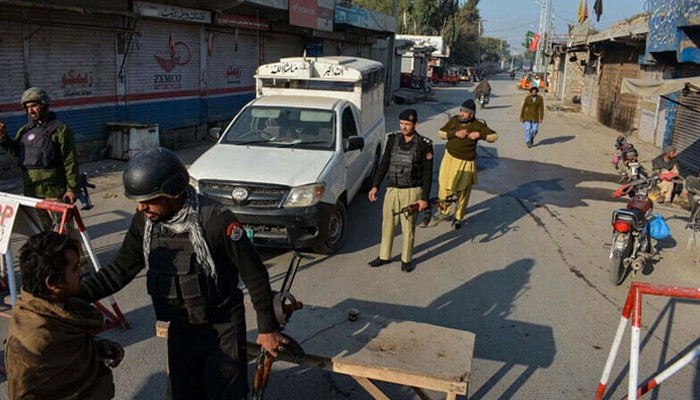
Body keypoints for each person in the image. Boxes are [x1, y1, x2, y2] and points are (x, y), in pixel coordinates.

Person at [78, 148, 286, 400]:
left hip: (222, 327)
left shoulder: (217, 220)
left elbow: (254, 274)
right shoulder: (145, 223)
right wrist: (71, 295)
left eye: (150, 199)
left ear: (173, 191)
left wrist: (267, 328)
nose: (141, 207)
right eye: (138, 200)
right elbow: (118, 271)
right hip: (181, 327)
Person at [5, 231, 124, 400]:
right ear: (52, 283)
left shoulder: (56, 307)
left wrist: (96, 348)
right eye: (75, 268)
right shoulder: (35, 340)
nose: (81, 272)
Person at [0, 88, 79, 230]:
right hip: (32, 194)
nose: (30, 111)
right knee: (42, 234)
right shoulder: (25, 130)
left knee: (65, 235)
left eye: (34, 106)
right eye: (27, 107)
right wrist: (3, 139)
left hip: (55, 194)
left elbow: (70, 160)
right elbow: (17, 152)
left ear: (44, 104)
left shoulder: (61, 129)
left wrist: (72, 189)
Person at [368, 109, 433, 272]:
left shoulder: (424, 145)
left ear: (415, 124)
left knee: (408, 227)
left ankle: (406, 259)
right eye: (402, 123)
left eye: (407, 124)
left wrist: (424, 198)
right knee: (387, 224)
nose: (404, 127)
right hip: (392, 190)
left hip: (412, 191)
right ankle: (384, 255)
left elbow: (428, 173)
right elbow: (384, 164)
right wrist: (375, 185)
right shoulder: (392, 140)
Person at [434, 100, 498, 229]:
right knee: (445, 187)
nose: (462, 114)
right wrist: (454, 134)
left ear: (472, 114)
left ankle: (458, 217)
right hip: (449, 159)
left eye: (465, 112)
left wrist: (480, 135)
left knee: (463, 191)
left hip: (466, 162)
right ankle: (444, 212)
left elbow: (494, 136)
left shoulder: (477, 124)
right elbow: (440, 133)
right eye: (461, 111)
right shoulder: (454, 121)